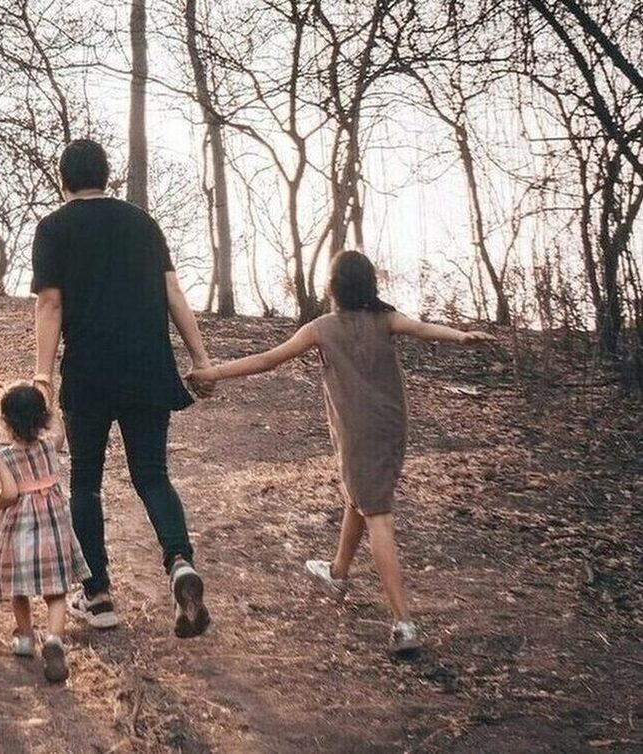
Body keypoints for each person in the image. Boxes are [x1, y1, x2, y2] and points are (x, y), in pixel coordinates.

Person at [187, 250, 495, 654]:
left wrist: (214, 372)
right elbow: (423, 329)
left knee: (377, 514)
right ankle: (337, 572)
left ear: (333, 288)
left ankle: (404, 623)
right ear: (369, 285)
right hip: (392, 427)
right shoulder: (385, 319)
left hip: (359, 433)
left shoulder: (321, 328)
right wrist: (461, 335)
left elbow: (268, 360)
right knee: (361, 497)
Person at [31, 138, 213, 639]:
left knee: (85, 481)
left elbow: (50, 304)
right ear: (107, 176)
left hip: (90, 370)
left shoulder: (53, 228)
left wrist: (44, 375)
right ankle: (179, 561)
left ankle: (98, 596)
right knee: (152, 474)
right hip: (148, 367)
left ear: (63, 180)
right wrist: (199, 358)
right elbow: (173, 292)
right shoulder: (143, 223)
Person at [0, 383, 90, 683]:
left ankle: (25, 638)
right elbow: (58, 430)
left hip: (20, 530)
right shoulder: (49, 445)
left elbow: (9, 494)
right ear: (43, 418)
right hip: (53, 527)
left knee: (19, 588)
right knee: (56, 591)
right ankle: (54, 638)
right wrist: (50, 399)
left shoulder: (5, 457)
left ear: (5, 423)